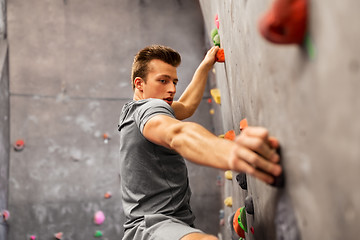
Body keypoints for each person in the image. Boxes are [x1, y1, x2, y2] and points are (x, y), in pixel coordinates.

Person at [118, 45, 282, 240]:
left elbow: (186, 106)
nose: (172, 89)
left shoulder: (134, 111)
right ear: (139, 83)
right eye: (163, 81)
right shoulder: (148, 109)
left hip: (168, 224)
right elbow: (177, 134)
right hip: (152, 227)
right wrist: (231, 152)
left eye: (174, 82)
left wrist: (205, 65)